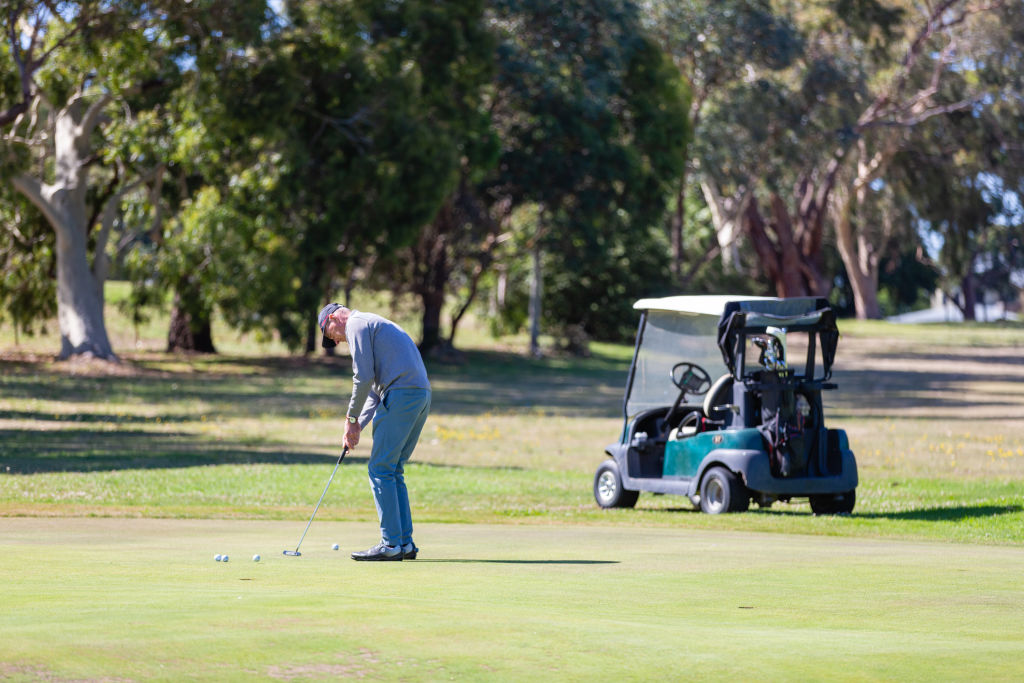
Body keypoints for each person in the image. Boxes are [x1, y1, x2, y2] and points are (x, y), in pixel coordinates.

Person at [318, 303, 432, 561]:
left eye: (329, 334)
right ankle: (404, 543)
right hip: (420, 395)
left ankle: (390, 544)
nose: (334, 341)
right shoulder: (371, 323)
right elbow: (373, 390)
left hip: (402, 394)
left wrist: (350, 418)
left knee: (380, 469)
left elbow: (363, 377)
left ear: (334, 318)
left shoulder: (356, 325)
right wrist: (356, 425)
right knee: (392, 469)